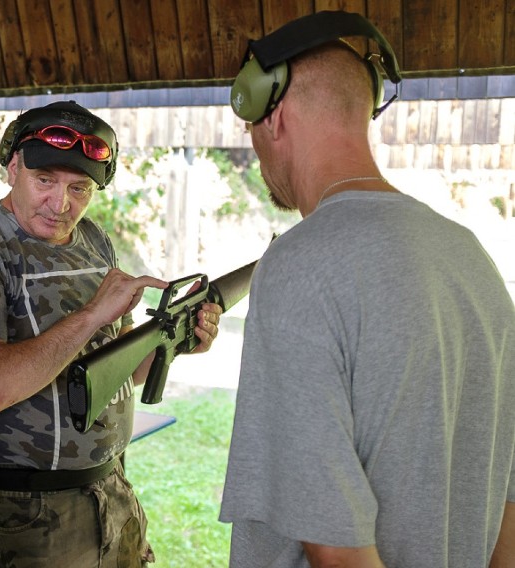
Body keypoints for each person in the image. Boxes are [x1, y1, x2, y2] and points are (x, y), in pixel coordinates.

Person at [219, 11, 515, 568]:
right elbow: (510, 505)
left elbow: (335, 547)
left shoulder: (298, 263)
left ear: (272, 116)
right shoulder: (470, 255)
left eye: (252, 131)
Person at [0, 100, 223, 566]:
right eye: (44, 180)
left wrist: (175, 342)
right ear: (13, 168)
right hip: (33, 511)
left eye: (79, 188)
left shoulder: (94, 240)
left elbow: (117, 369)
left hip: (112, 488)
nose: (60, 204)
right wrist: (92, 314)